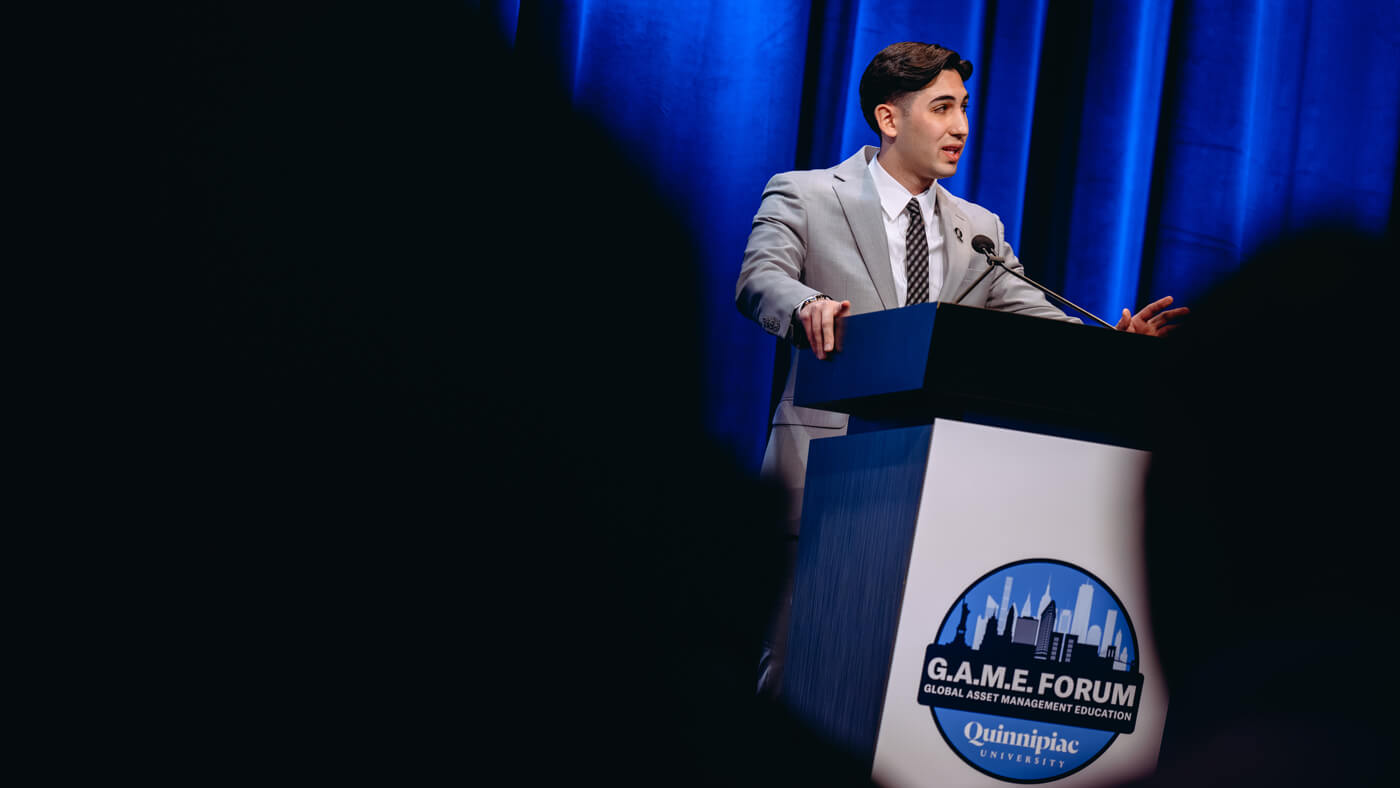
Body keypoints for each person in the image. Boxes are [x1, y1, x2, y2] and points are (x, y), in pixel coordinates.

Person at [735, 41, 1186, 697]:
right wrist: (807, 305)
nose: (962, 127)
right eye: (942, 108)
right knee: (793, 667)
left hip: (929, 483)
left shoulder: (978, 229)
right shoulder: (806, 195)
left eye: (965, 109)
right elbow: (759, 279)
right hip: (821, 467)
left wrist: (1113, 345)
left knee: (884, 684)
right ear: (890, 119)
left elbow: (1033, 314)